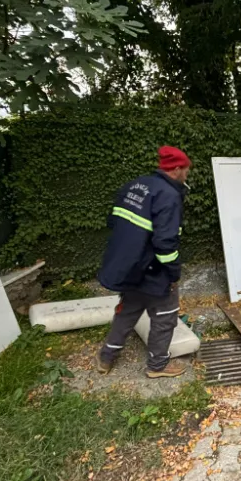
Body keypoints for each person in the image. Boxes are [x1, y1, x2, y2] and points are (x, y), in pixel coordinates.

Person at [96, 146, 191, 377]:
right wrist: (173, 273)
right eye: (187, 170)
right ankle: (158, 366)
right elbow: (165, 243)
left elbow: (114, 222)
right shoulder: (168, 195)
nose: (187, 175)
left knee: (128, 310)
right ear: (177, 169)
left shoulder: (136, 185)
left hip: (129, 265)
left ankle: (106, 357)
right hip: (153, 269)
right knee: (165, 316)